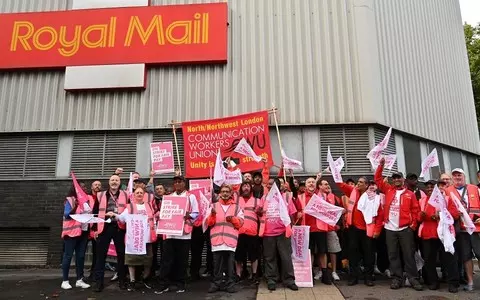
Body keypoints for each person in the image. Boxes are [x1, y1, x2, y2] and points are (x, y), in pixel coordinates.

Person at [375, 158, 422, 291]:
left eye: (398, 178)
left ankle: (413, 278)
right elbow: (378, 179)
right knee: (393, 254)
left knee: (408, 254)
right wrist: (381, 165)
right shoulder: (389, 190)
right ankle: (397, 278)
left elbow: (416, 210)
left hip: (405, 229)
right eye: (394, 178)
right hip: (390, 228)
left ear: (403, 180)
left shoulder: (410, 194)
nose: (396, 180)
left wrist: (412, 225)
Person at [155, 175, 199, 295]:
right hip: (170, 233)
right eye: (175, 182)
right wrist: (158, 215)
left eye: (180, 182)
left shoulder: (191, 197)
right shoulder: (168, 197)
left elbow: (196, 213)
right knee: (166, 260)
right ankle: (164, 284)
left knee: (182, 260)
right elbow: (164, 211)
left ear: (184, 183)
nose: (178, 184)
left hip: (184, 234)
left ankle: (180, 283)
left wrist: (189, 215)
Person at [336, 177, 383, 286]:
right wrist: (334, 170)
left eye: (361, 182)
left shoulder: (374, 197)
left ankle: (368, 277)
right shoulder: (353, 191)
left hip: (368, 229)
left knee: (369, 254)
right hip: (354, 229)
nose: (358, 184)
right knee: (353, 254)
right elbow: (341, 184)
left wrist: (377, 230)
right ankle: (353, 277)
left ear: (367, 185)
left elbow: (380, 215)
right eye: (358, 182)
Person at [418, 180, 459, 293]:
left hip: (444, 234)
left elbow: (455, 214)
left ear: (437, 188)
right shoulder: (421, 201)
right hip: (428, 234)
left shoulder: (446, 199)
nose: (430, 189)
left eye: (432, 187)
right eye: (428, 187)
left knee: (449, 259)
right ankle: (433, 282)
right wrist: (421, 216)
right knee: (429, 260)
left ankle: (453, 283)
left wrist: (440, 214)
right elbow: (418, 217)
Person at [259, 178, 298, 291]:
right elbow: (260, 213)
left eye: (273, 184)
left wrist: (291, 229)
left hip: (283, 232)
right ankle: (271, 279)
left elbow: (292, 214)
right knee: (269, 257)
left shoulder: (286, 197)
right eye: (269, 185)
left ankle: (289, 280)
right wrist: (259, 210)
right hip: (268, 233)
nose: (270, 186)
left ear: (278, 185)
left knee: (286, 257)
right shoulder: (264, 198)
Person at [115, 186, 157, 291]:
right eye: (137, 192)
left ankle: (145, 278)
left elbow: (154, 220)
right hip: (134, 240)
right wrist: (114, 215)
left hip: (147, 238)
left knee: (148, 260)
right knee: (131, 260)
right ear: (134, 195)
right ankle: (132, 281)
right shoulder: (129, 207)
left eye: (141, 193)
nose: (139, 194)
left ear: (144, 195)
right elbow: (122, 219)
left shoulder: (149, 206)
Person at [446, 168, 480, 292]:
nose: (457, 177)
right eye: (454, 176)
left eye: (459, 175)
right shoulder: (448, 190)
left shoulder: (474, 189)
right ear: (452, 178)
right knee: (466, 257)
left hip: (476, 229)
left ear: (464, 176)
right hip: (461, 229)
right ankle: (470, 282)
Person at [206, 184, 244, 293]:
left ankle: (230, 284)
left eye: (227, 191)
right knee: (217, 265)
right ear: (220, 193)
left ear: (231, 193)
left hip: (230, 241)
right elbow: (209, 223)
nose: (225, 193)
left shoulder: (237, 207)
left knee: (229, 265)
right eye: (223, 191)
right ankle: (216, 283)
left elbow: (241, 223)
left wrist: (233, 219)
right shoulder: (213, 206)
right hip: (217, 241)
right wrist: (212, 216)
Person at [94, 174, 129, 292]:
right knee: (101, 256)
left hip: (119, 226)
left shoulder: (125, 194)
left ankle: (122, 281)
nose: (114, 182)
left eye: (117, 180)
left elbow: (129, 210)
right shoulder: (101, 195)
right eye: (112, 180)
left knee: (121, 255)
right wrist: (94, 229)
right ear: (109, 182)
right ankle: (99, 283)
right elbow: (95, 212)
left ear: (120, 183)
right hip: (104, 226)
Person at [297, 177, 333, 285]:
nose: (311, 183)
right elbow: (296, 211)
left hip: (320, 228)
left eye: (313, 182)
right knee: (309, 252)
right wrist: (298, 214)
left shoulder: (322, 196)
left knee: (322, 251)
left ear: (315, 184)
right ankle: (309, 274)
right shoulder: (300, 197)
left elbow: (330, 209)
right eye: (309, 182)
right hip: (306, 228)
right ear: (305, 185)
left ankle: (325, 275)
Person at [61, 182, 92, 290]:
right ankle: (65, 280)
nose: (84, 188)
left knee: (81, 256)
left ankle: (79, 280)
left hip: (83, 233)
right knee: (68, 256)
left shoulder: (86, 201)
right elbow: (67, 215)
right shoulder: (70, 200)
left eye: (84, 187)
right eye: (81, 187)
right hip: (71, 233)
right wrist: (77, 205)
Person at [235, 182, 262, 284]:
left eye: (248, 186)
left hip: (252, 232)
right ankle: (238, 274)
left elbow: (262, 216)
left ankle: (254, 275)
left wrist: (259, 211)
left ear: (251, 189)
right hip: (239, 232)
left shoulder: (257, 201)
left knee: (254, 256)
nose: (246, 188)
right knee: (238, 256)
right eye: (244, 186)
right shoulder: (236, 201)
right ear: (241, 188)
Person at [87, 180, 101, 281]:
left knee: (97, 253)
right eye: (95, 185)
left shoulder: (102, 197)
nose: (97, 186)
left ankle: (94, 274)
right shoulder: (87, 197)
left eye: (99, 185)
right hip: (86, 228)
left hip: (97, 228)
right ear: (91, 187)